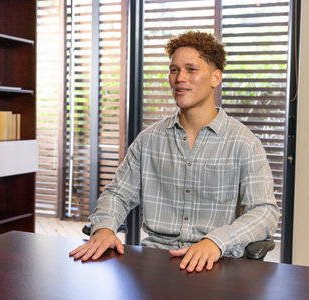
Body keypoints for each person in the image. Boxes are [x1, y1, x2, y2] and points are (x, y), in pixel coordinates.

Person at [69, 31, 280, 272]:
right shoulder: (148, 140)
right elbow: (117, 194)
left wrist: (216, 242)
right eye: (174, 70)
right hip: (157, 262)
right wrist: (105, 228)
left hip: (217, 262)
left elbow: (264, 211)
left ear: (215, 77)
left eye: (191, 69)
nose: (180, 78)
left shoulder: (244, 143)